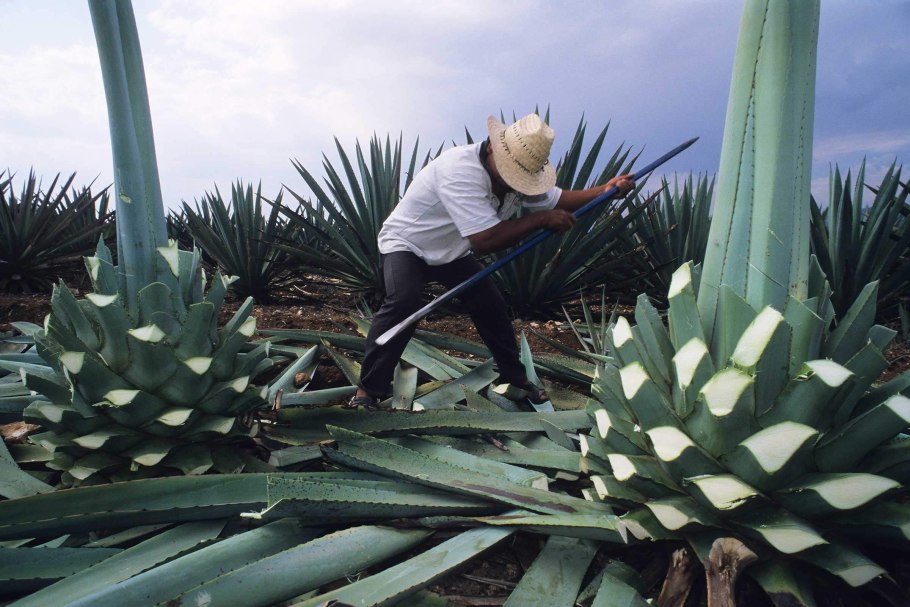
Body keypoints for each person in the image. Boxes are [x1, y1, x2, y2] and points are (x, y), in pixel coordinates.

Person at [348, 113, 635, 408]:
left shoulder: (518, 177)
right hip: (408, 244)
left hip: (451, 252)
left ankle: (516, 379)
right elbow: (485, 240)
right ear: (493, 150)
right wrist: (540, 220)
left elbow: (557, 199)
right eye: (511, 174)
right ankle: (367, 391)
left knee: (491, 305)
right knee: (404, 303)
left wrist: (605, 191)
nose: (515, 182)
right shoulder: (459, 171)